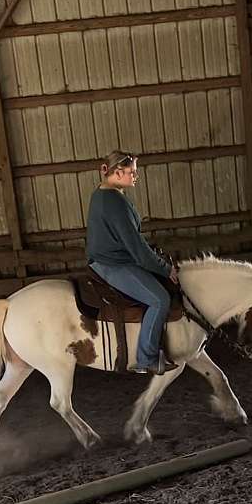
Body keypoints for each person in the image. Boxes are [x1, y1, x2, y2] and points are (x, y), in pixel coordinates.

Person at [86, 150, 179, 375]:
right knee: (159, 299)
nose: (135, 177)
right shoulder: (114, 202)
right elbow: (137, 249)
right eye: (132, 172)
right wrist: (166, 269)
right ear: (118, 172)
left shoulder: (102, 193)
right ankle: (146, 359)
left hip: (109, 258)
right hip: (114, 264)